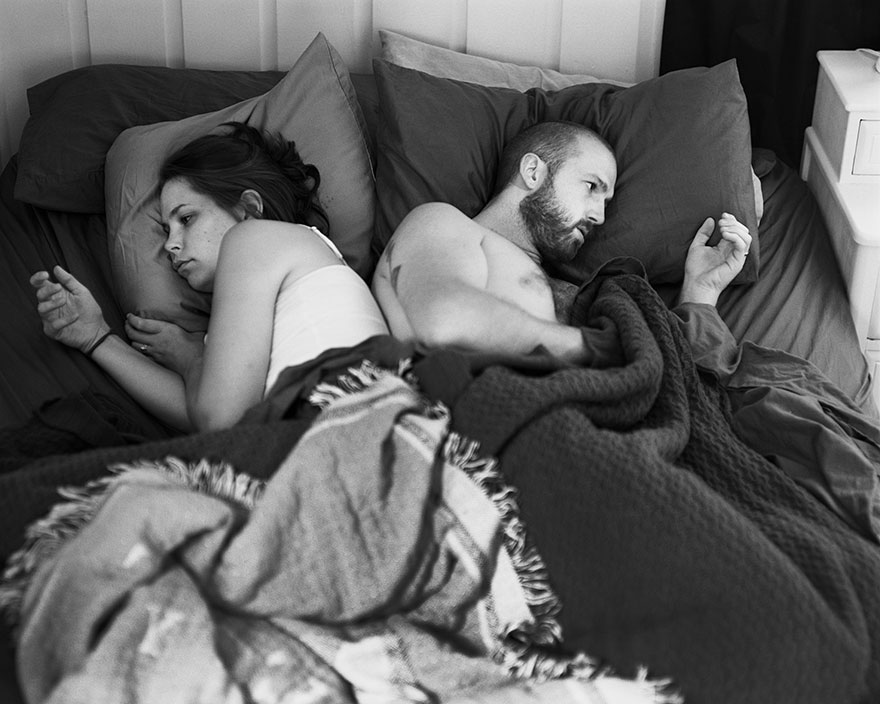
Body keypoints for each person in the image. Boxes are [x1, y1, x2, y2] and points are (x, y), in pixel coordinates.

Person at [31, 122, 389, 433]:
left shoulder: (255, 238)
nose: (170, 245)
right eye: (167, 229)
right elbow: (200, 412)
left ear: (248, 209)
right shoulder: (254, 301)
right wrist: (95, 337)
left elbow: (219, 419)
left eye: (186, 219)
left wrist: (189, 357)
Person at [372, 120, 751, 359]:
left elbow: (683, 369)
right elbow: (441, 321)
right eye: (591, 186)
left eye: (606, 202)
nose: (600, 216)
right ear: (533, 171)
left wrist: (700, 293)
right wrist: (601, 349)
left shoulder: (574, 292)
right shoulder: (442, 222)